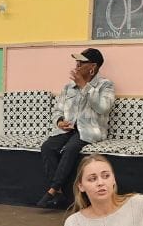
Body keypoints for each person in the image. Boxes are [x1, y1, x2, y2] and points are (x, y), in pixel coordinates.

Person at [37, 47, 115, 209]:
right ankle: (60, 195)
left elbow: (103, 108)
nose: (77, 65)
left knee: (70, 149)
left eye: (82, 62)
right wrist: (59, 122)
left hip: (90, 130)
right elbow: (57, 110)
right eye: (76, 62)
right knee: (48, 147)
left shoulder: (105, 85)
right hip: (69, 129)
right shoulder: (68, 87)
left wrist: (85, 86)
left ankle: (53, 190)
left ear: (93, 67)